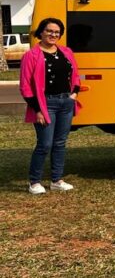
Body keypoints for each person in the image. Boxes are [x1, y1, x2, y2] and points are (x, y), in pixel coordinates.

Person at [20, 17, 82, 194]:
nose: (53, 34)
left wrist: (74, 95)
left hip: (66, 102)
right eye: (49, 31)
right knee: (45, 144)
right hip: (45, 104)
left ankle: (57, 180)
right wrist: (37, 109)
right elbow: (25, 86)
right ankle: (34, 182)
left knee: (60, 143)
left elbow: (75, 75)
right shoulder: (31, 56)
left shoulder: (66, 52)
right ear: (41, 32)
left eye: (56, 32)